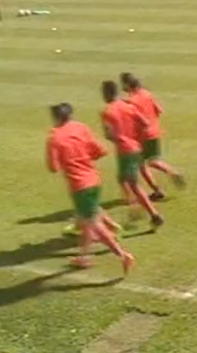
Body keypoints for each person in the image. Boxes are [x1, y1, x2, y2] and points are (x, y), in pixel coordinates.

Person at [46, 103, 135, 273]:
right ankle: (84, 257)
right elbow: (100, 151)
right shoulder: (81, 128)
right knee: (90, 216)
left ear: (56, 118)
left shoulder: (55, 137)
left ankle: (123, 255)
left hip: (79, 186)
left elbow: (53, 167)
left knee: (93, 224)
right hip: (94, 180)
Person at [100, 80, 164, 230]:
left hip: (125, 150)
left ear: (108, 93)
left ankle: (153, 214)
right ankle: (134, 207)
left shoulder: (107, 111)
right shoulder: (128, 106)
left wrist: (121, 137)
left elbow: (108, 135)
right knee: (122, 179)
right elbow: (145, 123)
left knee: (133, 184)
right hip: (136, 146)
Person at [120, 72, 185, 201]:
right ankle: (172, 173)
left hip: (143, 135)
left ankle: (158, 190)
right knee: (153, 161)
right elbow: (159, 110)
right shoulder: (147, 94)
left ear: (127, 85)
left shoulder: (131, 102)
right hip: (155, 132)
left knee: (143, 165)